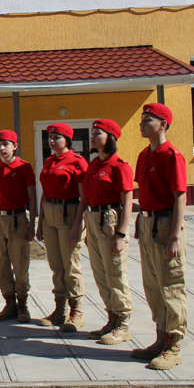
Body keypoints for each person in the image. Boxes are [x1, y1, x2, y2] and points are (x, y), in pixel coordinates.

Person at [132, 103, 188, 370]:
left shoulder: (171, 155)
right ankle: (161, 337)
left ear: (163, 124)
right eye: (142, 119)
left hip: (166, 224)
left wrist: (175, 236)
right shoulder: (144, 155)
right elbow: (143, 191)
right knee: (153, 284)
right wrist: (138, 222)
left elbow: (180, 197)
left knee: (170, 284)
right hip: (147, 222)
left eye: (148, 120)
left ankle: (174, 345)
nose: (142, 124)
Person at [74, 119, 133, 345]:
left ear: (110, 137)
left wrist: (121, 234)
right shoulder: (94, 164)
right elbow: (87, 197)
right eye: (91, 132)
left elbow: (127, 201)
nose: (92, 136)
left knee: (115, 274)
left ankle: (123, 324)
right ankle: (112, 318)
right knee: (101, 275)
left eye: (97, 133)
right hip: (94, 219)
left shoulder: (119, 165)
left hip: (110, 220)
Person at [36, 123, 88, 331]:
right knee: (56, 265)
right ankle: (59, 310)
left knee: (70, 265)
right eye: (50, 137)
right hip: (50, 214)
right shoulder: (49, 161)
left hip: (69, 214)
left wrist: (77, 225)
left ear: (68, 140)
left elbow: (84, 197)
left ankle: (76, 313)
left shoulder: (77, 162)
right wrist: (40, 223)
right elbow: (44, 193)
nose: (52, 141)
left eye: (57, 137)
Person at [0, 130, 37, 322]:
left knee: (20, 264)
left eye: (5, 144)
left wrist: (32, 225)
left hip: (18, 220)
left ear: (15, 146)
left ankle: (23, 305)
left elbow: (32, 197)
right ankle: (9, 303)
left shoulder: (24, 167)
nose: (1, 148)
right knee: (1, 264)